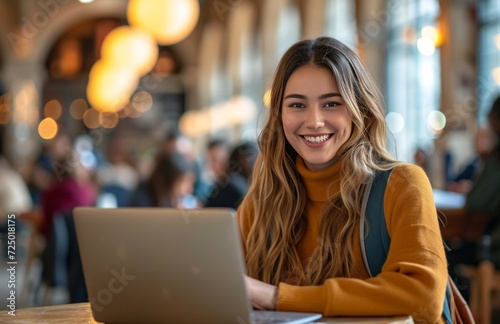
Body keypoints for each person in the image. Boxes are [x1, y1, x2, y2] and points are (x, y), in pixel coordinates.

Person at [237, 37, 448, 322]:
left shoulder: (402, 185)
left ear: (358, 109)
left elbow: (423, 297)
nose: (314, 121)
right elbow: (228, 288)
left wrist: (278, 298)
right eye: (297, 105)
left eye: (332, 103)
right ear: (279, 116)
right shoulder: (262, 199)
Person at [128, 151, 198, 208]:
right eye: (185, 182)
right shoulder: (142, 200)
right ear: (168, 180)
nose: (190, 189)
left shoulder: (173, 200)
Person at [203, 141, 258, 210]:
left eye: (215, 160)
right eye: (207, 161)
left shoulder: (227, 188)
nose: (210, 166)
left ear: (227, 159)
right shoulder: (242, 185)